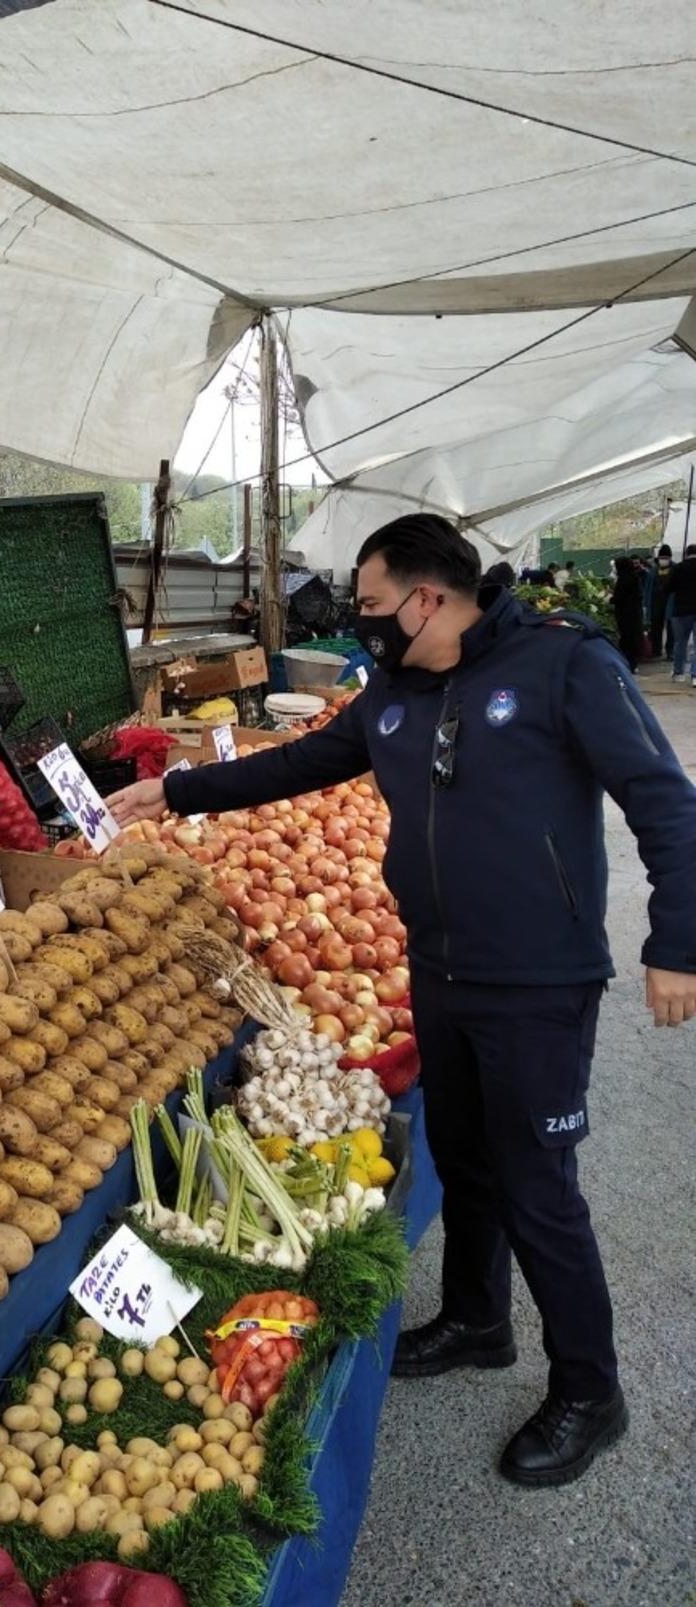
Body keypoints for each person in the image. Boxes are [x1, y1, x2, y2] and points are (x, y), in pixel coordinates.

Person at [110, 513, 696, 1487]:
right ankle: (478, 1318)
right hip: (440, 968)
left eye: (374, 606)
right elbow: (297, 763)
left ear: (429, 597)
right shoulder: (391, 694)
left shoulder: (564, 666)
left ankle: (592, 1391)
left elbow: (666, 799)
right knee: (464, 1156)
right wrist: (177, 793)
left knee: (537, 1185)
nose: (363, 623)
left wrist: (677, 939)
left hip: (539, 976)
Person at [668, 542, 696, 685]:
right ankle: (695, 676)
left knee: (680, 643)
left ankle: (679, 673)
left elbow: (669, 587)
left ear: (686, 553)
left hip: (680, 610)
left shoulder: (678, 568)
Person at [611, 556, 643, 673]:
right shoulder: (634, 577)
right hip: (634, 613)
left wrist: (611, 599)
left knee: (626, 640)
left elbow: (618, 597)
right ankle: (633, 664)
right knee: (631, 639)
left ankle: (628, 663)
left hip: (625, 614)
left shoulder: (624, 579)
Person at [644, 544, 674, 659]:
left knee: (671, 629)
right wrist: (646, 603)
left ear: (670, 558)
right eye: (662, 558)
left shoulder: (675, 569)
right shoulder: (653, 571)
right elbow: (648, 588)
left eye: (666, 558)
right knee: (656, 628)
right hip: (656, 604)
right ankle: (656, 650)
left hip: (671, 603)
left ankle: (670, 651)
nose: (663, 560)